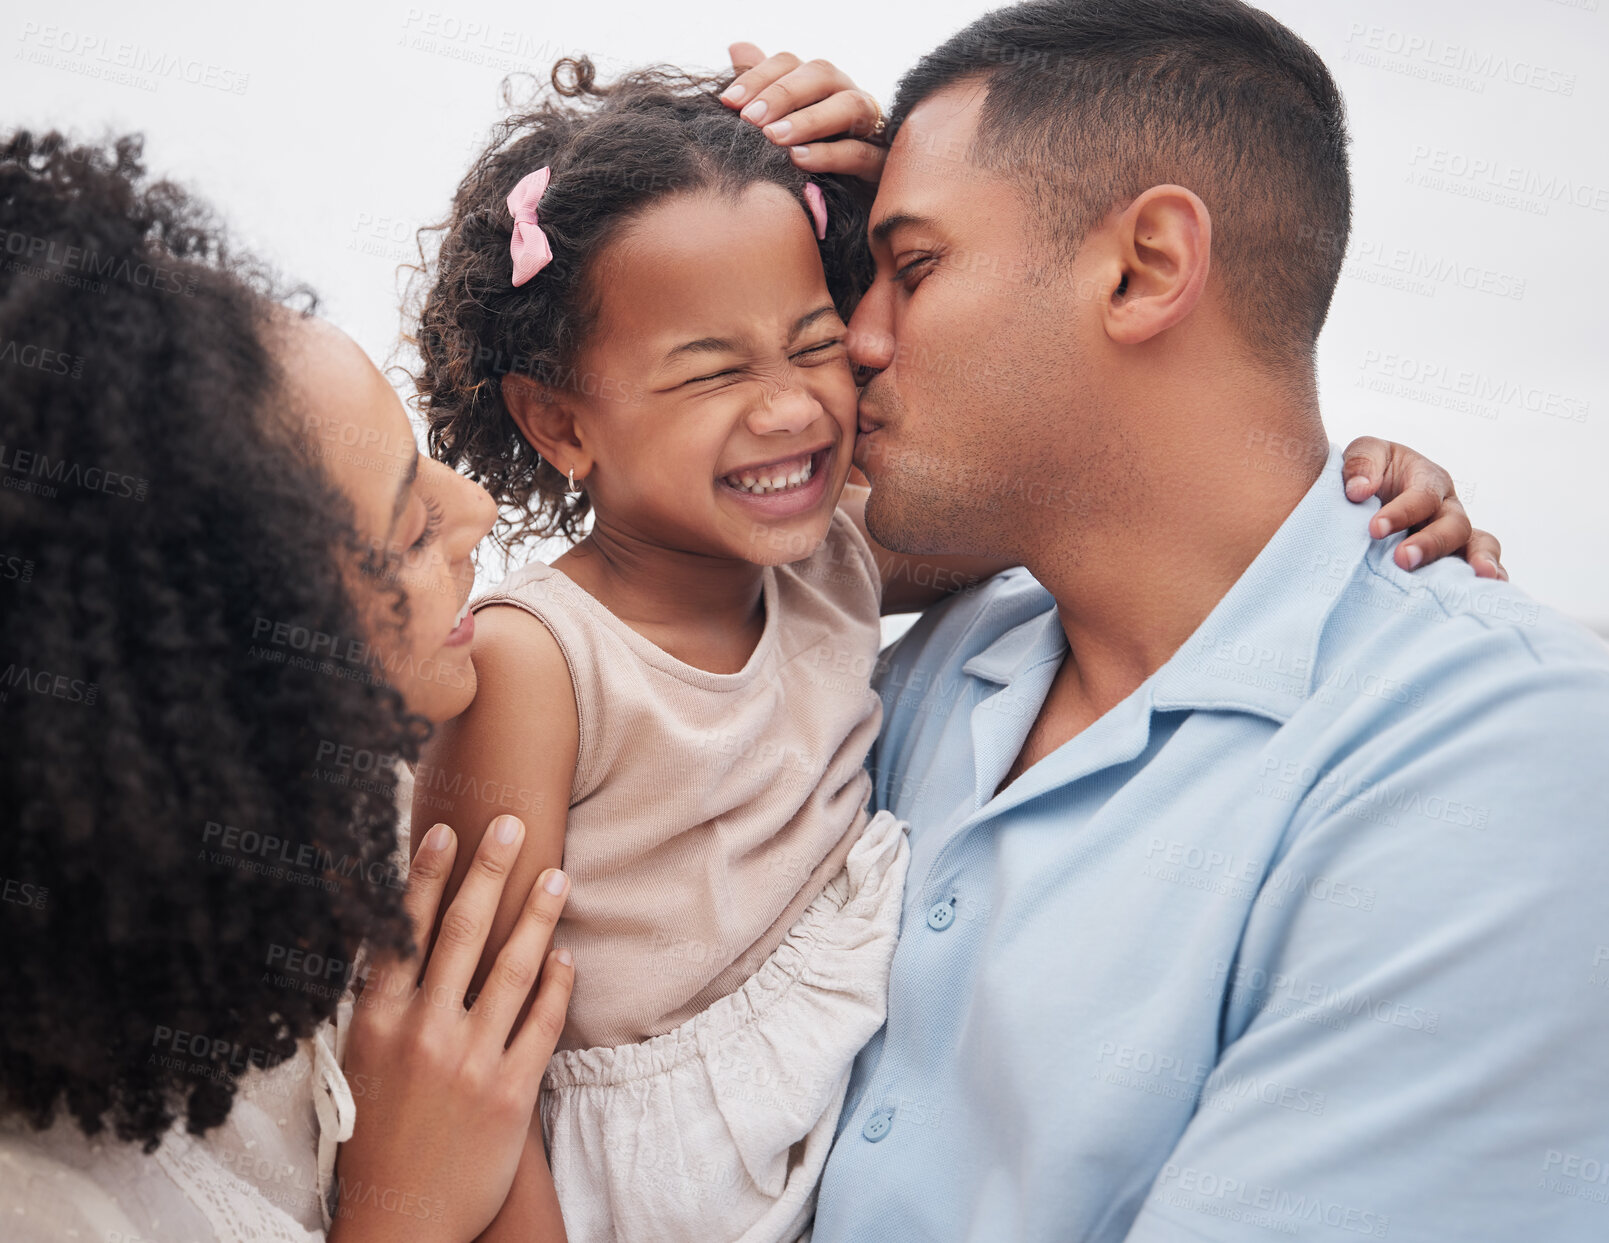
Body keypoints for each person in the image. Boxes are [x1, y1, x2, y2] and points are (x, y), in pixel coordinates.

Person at [406, 54, 1499, 1243]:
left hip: (801, 1142)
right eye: (713, 369)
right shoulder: (536, 662)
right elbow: (460, 1037)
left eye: (815, 337)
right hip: (611, 1188)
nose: (795, 405)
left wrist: (1360, 499)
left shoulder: (834, 565)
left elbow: (1120, 501)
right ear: (559, 421)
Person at [720, 4, 1609, 1240]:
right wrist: (770, 216)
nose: (857, 340)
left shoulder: (1502, 755)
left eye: (911, 268)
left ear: (1143, 268)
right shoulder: (918, 678)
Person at [0, 131, 572, 1243]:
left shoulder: (363, 812)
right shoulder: (47, 1200)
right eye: (410, 526)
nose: (480, 512)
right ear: (231, 679)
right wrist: (403, 1210)